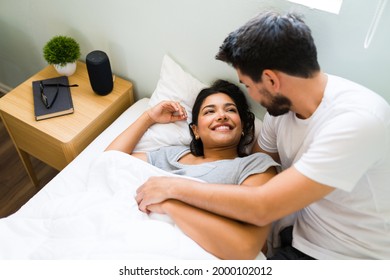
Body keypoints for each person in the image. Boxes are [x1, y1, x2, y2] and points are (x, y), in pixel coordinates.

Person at [135, 11, 390, 260]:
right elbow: (255, 168)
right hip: (298, 232)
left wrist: (172, 189)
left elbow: (261, 205)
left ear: (270, 80)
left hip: (345, 254)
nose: (251, 96)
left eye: (247, 85)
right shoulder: (280, 114)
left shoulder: (356, 121)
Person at [106, 79, 279, 259]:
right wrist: (148, 117)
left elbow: (246, 248)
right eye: (210, 111)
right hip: (136, 240)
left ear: (243, 127)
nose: (221, 116)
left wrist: (169, 204)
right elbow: (110, 163)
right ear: (195, 130)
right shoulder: (172, 156)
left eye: (230, 110)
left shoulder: (255, 166)